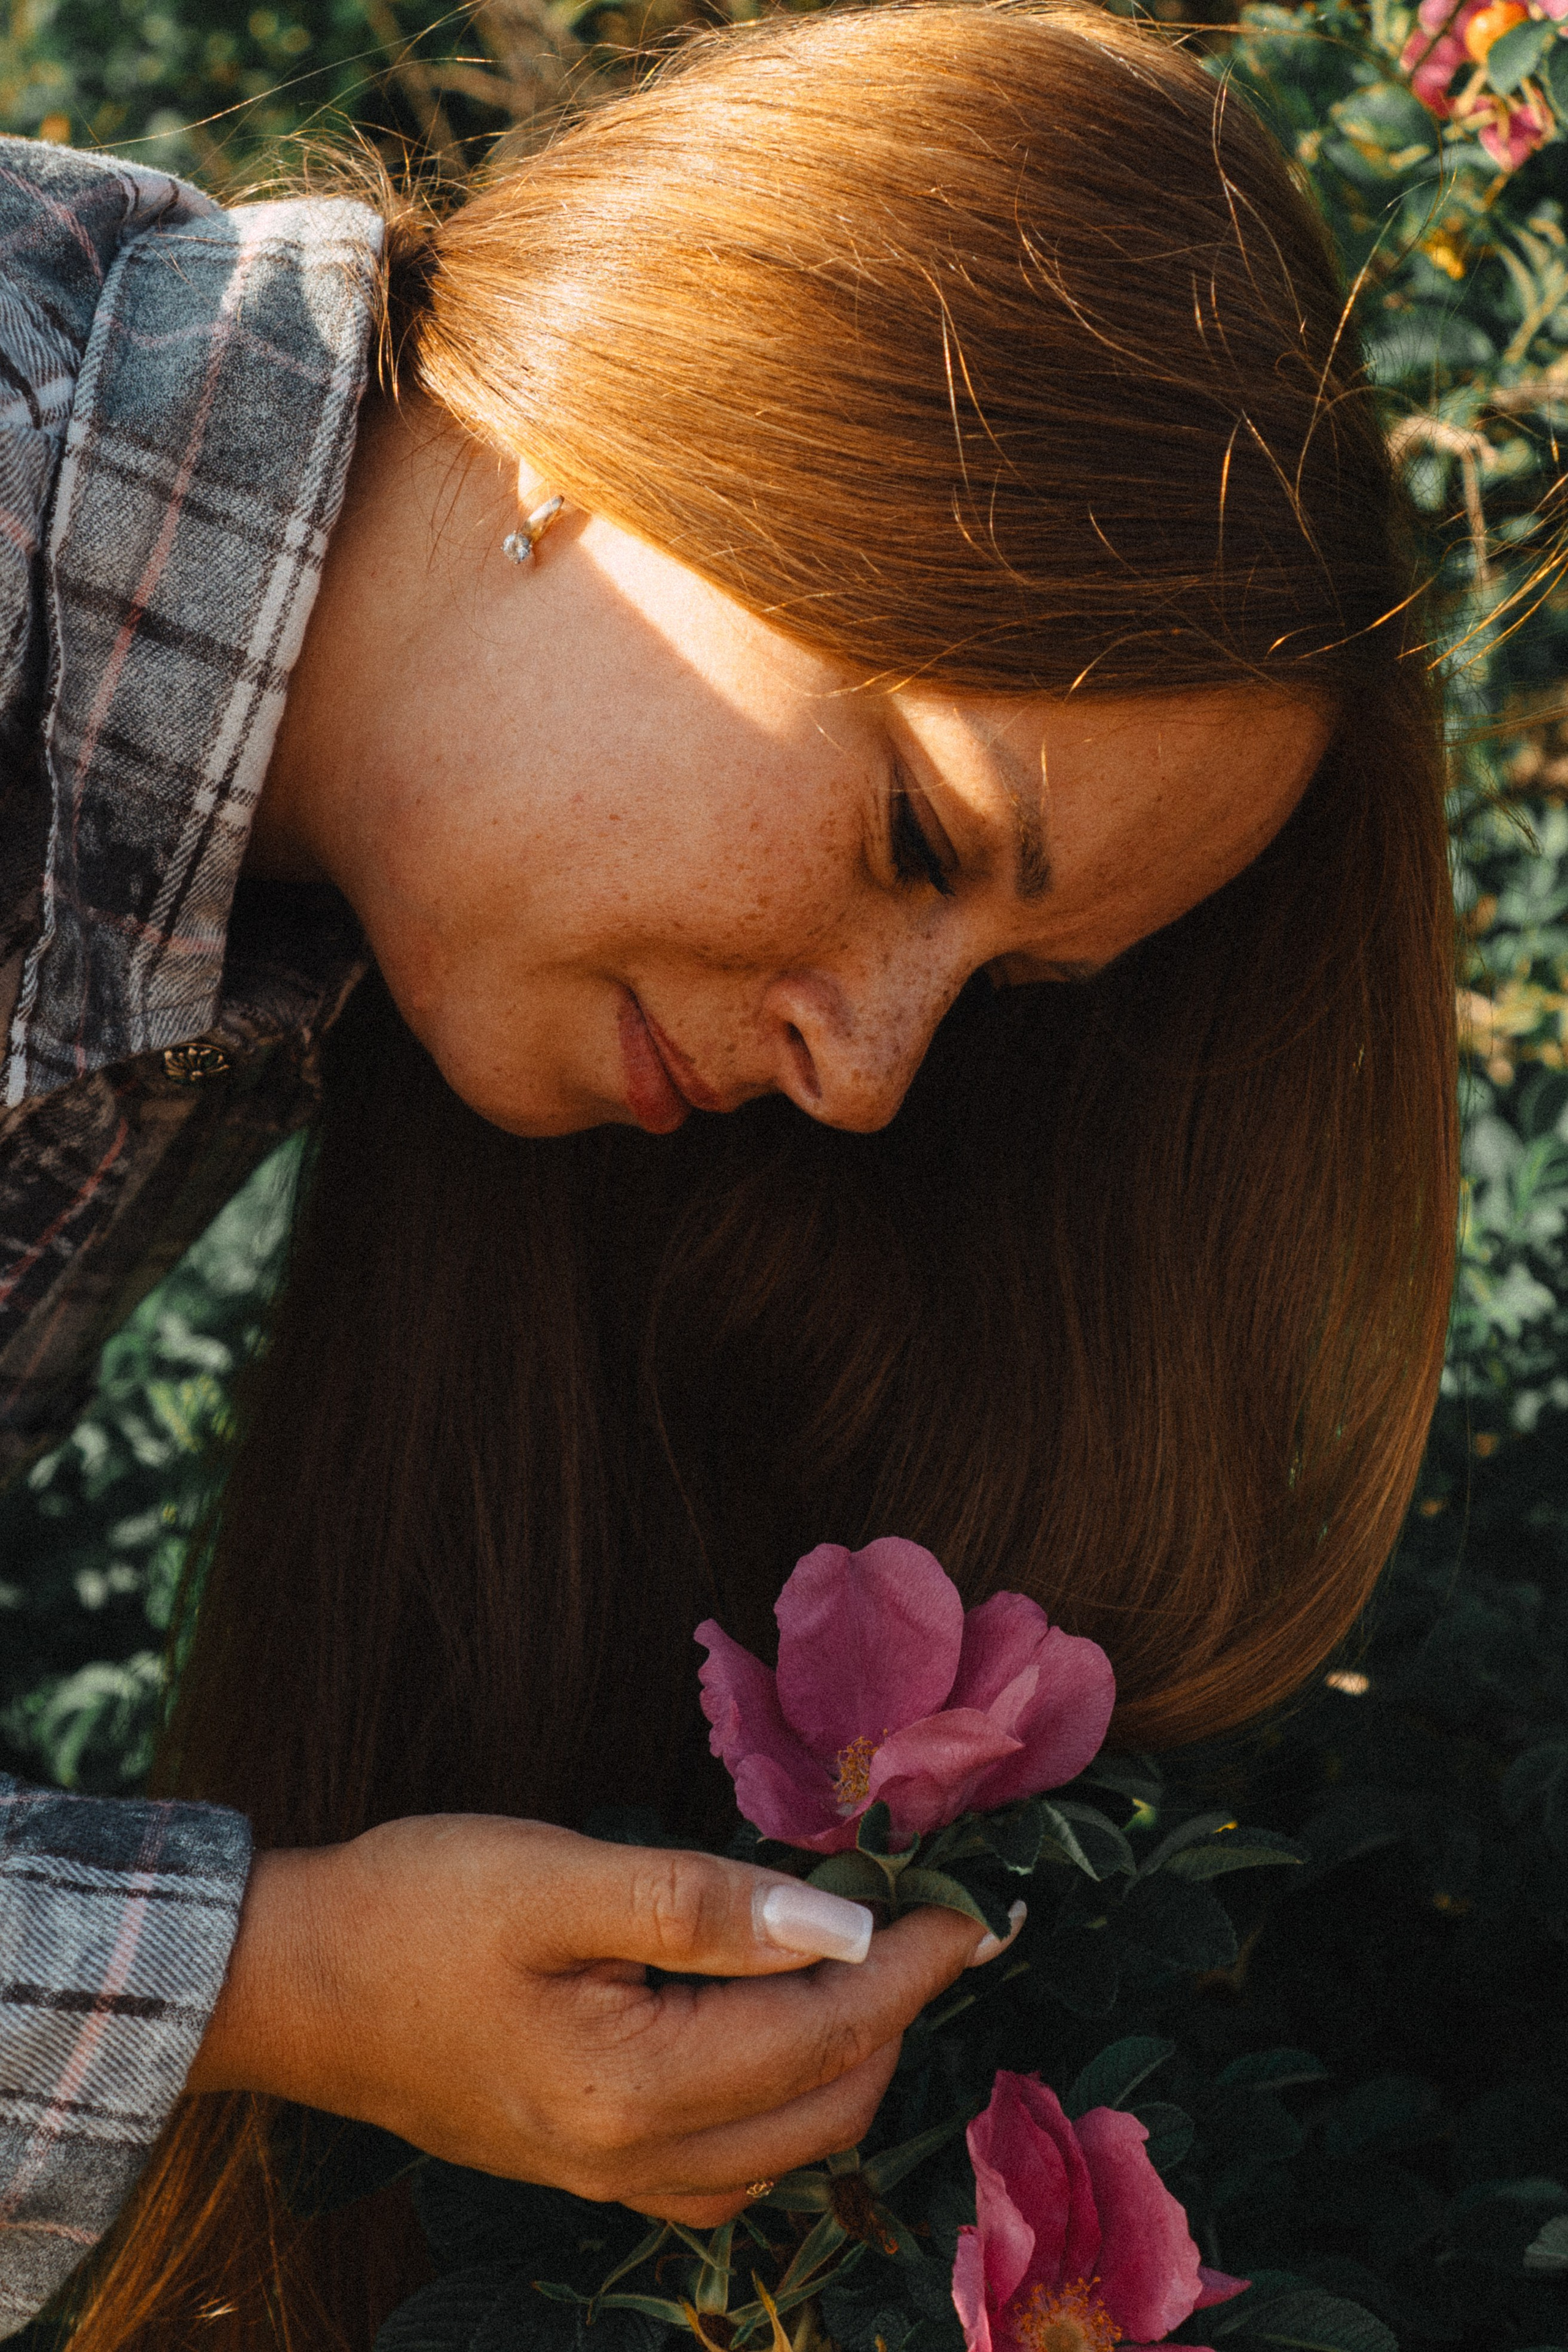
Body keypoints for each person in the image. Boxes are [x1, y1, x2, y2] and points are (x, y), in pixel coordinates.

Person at [0, 0, 1458, 2340]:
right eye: (918, 838)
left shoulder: (255, 919)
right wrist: (269, 1983)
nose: (867, 1080)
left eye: (1000, 989)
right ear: (656, 410)